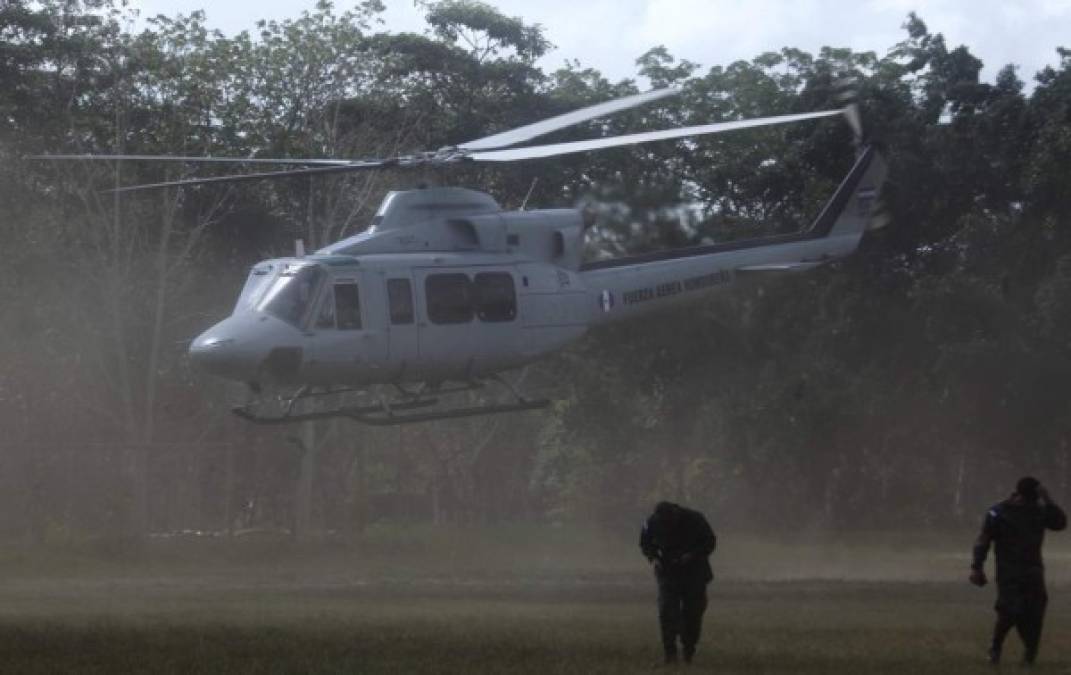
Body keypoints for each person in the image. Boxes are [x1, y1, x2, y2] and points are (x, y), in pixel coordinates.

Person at [970, 476, 1067, 665]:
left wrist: (1048, 500)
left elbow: (1060, 523)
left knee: (1035, 613)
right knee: (1010, 610)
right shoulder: (999, 512)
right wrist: (977, 567)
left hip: (1033, 570)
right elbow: (984, 539)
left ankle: (1030, 655)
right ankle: (996, 646)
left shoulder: (1039, 510)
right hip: (1009, 570)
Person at [640, 501, 717, 665]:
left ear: (676, 514)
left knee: (693, 613)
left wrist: (692, 555)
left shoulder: (695, 519)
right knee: (666, 611)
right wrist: (653, 558)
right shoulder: (651, 522)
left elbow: (709, 542)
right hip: (668, 573)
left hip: (694, 573)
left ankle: (688, 651)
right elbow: (645, 544)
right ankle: (670, 654)